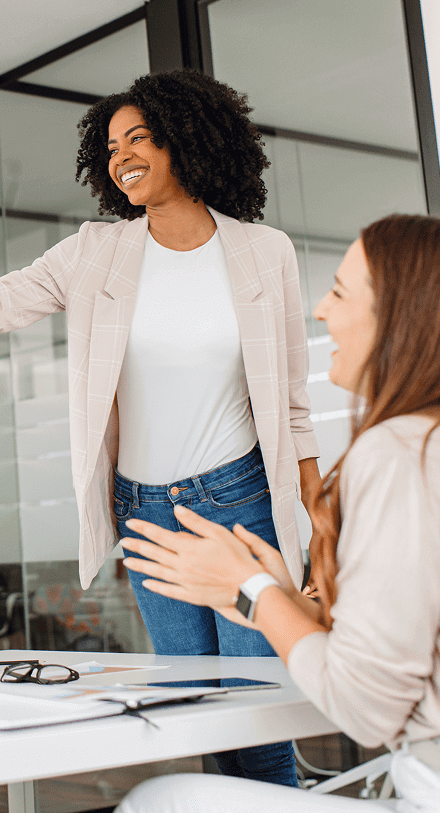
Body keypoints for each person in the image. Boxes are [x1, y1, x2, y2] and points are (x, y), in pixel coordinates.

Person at [0, 71, 320, 787]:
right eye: (111, 147)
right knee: (200, 715)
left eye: (138, 138)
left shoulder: (266, 252)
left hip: (241, 503)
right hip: (147, 515)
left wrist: (319, 531)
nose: (121, 157)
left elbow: (293, 405)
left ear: (188, 140)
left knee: (258, 715)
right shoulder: (94, 252)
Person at [114, 213, 440, 811]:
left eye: (339, 292)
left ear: (400, 315)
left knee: (158, 801)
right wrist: (285, 597)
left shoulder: (399, 452)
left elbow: (368, 708)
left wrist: (252, 590)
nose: (321, 311)